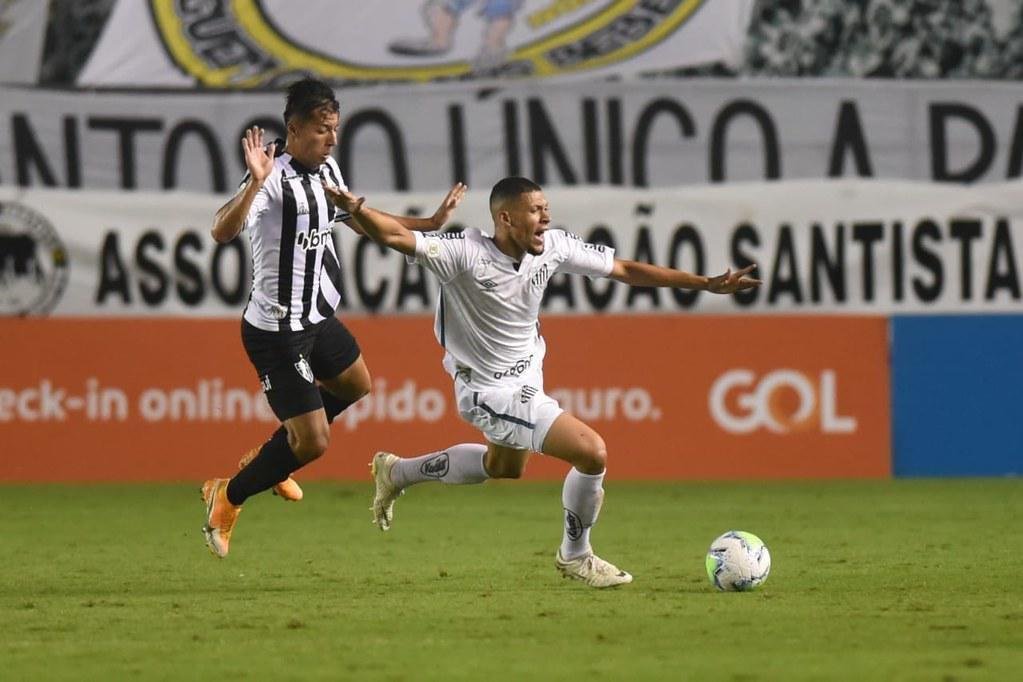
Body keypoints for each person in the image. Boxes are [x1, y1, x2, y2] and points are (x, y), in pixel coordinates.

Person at [322, 176, 761, 588]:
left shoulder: (551, 246)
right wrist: (357, 211)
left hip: (527, 374)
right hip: (488, 390)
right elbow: (395, 237)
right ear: (505, 219)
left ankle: (397, 471)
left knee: (503, 468)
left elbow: (624, 268)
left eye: (546, 208)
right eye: (535, 210)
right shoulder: (464, 255)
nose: (546, 218)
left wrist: (704, 283)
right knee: (592, 452)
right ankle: (576, 554)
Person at [200, 77, 465, 558]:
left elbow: (357, 215)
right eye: (323, 129)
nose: (332, 138)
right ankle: (229, 495)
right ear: (294, 128)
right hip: (277, 329)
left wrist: (426, 224)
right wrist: (255, 182)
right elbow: (222, 230)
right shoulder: (271, 176)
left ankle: (272, 456)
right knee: (313, 442)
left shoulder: (326, 170)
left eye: (336, 129)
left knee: (356, 384)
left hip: (317, 317)